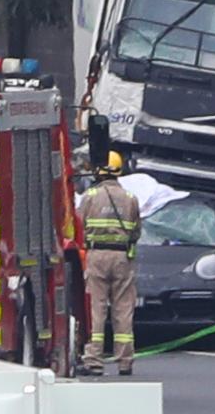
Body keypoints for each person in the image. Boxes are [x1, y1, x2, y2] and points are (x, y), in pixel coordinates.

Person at [76, 150, 141, 377]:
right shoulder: (131, 199)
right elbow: (136, 232)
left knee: (96, 308)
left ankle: (94, 361)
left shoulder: (90, 196)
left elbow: (77, 227)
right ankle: (125, 361)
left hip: (96, 256)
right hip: (123, 258)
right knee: (124, 309)